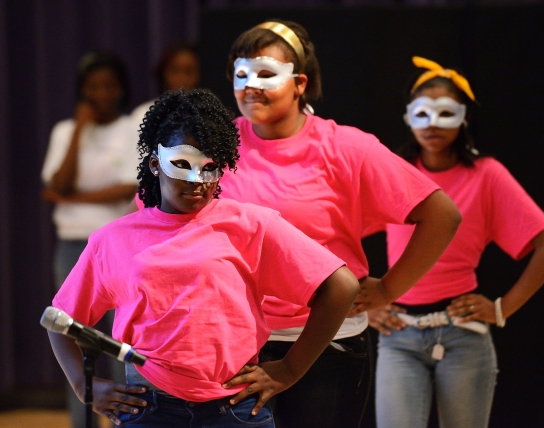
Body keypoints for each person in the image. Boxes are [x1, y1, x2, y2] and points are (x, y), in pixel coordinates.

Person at [46, 88, 360, 427]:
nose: (197, 180)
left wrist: (289, 369)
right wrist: (84, 385)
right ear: (155, 163)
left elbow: (340, 286)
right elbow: (59, 319)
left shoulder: (251, 224)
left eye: (209, 167)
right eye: (182, 164)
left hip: (235, 408)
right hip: (148, 408)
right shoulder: (113, 238)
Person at [218, 21, 462, 428]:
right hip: (233, 344)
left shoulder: (346, 146)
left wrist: (387, 289)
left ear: (300, 83)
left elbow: (442, 215)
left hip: (327, 348)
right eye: (240, 75)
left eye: (265, 74)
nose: (250, 86)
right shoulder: (218, 145)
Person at [369, 56, 544, 428]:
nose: (432, 124)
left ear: (464, 118)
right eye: (421, 113)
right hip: (400, 334)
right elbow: (336, 230)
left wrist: (501, 309)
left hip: (463, 335)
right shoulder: (395, 173)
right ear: (407, 116)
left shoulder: (486, 175)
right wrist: (365, 306)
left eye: (445, 113)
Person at [41, 51, 139, 428]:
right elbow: (59, 183)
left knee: (121, 343)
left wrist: (70, 197)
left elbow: (128, 188)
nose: (101, 93)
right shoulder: (65, 131)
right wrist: (80, 130)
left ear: (121, 89)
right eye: (93, 86)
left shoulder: (133, 126)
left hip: (119, 246)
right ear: (82, 90)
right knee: (71, 339)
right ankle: (81, 420)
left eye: (109, 85)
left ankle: (125, 421)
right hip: (72, 244)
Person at [130, 41, 201, 128]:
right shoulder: (143, 114)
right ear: (162, 73)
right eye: (175, 71)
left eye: (188, 71)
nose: (182, 78)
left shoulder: (210, 115)